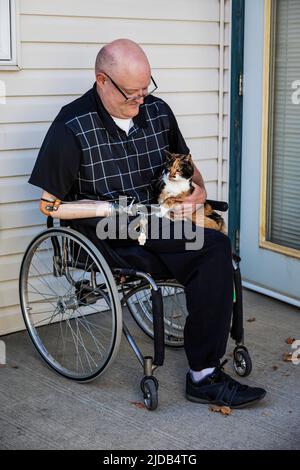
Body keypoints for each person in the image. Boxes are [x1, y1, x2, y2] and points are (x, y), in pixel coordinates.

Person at [29, 38, 266, 408]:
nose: (141, 101)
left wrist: (199, 194)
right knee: (211, 248)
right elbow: (50, 206)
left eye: (146, 88)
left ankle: (203, 371)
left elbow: (188, 164)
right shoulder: (70, 127)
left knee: (214, 251)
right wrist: (108, 211)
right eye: (131, 94)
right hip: (109, 232)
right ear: (102, 81)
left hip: (158, 221)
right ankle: (204, 377)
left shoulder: (157, 111)